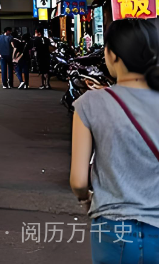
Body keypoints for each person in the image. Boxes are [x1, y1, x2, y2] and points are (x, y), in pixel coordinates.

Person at [70, 18, 159, 263]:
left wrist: (85, 197)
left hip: (113, 226)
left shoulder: (90, 104)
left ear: (112, 55)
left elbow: (78, 180)